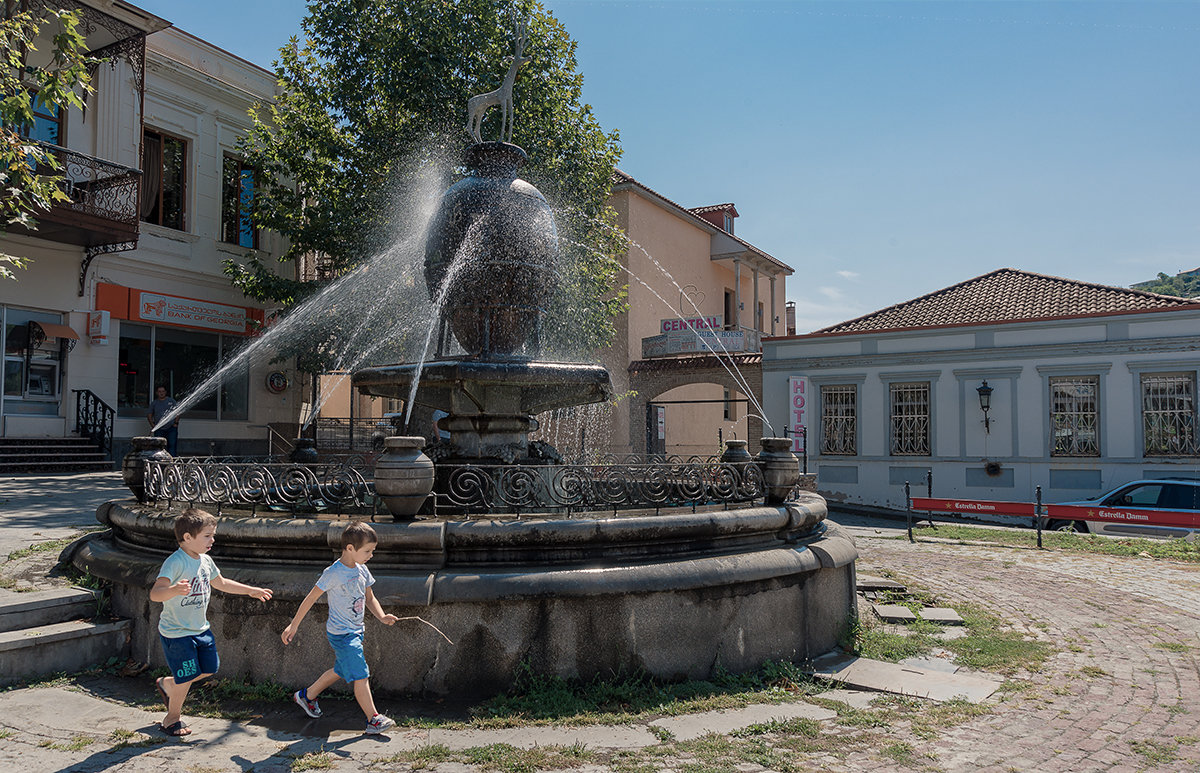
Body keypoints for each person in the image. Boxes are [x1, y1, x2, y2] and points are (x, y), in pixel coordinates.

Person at [151, 508, 273, 736]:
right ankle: (172, 719)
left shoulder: (206, 561)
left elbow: (222, 583)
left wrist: (251, 591)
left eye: (212, 534)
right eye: (207, 535)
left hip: (200, 629)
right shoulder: (175, 562)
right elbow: (155, 594)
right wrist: (174, 589)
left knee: (209, 668)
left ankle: (169, 684)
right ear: (187, 537)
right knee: (187, 676)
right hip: (177, 633)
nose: (212, 539)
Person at [281, 522, 398, 734]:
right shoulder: (333, 572)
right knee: (360, 674)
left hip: (356, 631)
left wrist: (381, 616)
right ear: (350, 548)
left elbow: (370, 598)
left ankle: (306, 696)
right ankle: (374, 719)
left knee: (341, 670)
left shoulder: (362, 570)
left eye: (373, 551)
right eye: (367, 551)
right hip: (342, 634)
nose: (371, 555)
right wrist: (294, 624)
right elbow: (310, 599)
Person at [148, 385, 179, 455]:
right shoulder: (154, 403)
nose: (161, 393)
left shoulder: (171, 401)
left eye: (163, 391)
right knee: (159, 446)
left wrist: (175, 423)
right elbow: (149, 414)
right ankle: (161, 462)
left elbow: (178, 412)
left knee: (172, 445)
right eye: (159, 392)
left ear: (165, 392)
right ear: (157, 393)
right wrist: (153, 425)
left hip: (171, 428)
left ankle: (172, 463)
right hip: (159, 429)